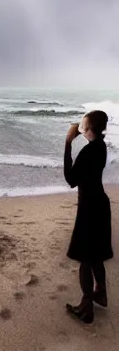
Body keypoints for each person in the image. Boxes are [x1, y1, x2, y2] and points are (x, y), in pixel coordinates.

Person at [63, 110, 113, 324]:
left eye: (85, 121)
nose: (82, 123)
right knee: (96, 255)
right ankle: (100, 292)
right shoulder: (100, 146)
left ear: (90, 125)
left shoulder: (89, 151)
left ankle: (86, 307)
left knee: (85, 258)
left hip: (89, 208)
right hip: (100, 204)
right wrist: (81, 135)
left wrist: (67, 143)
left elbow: (70, 179)